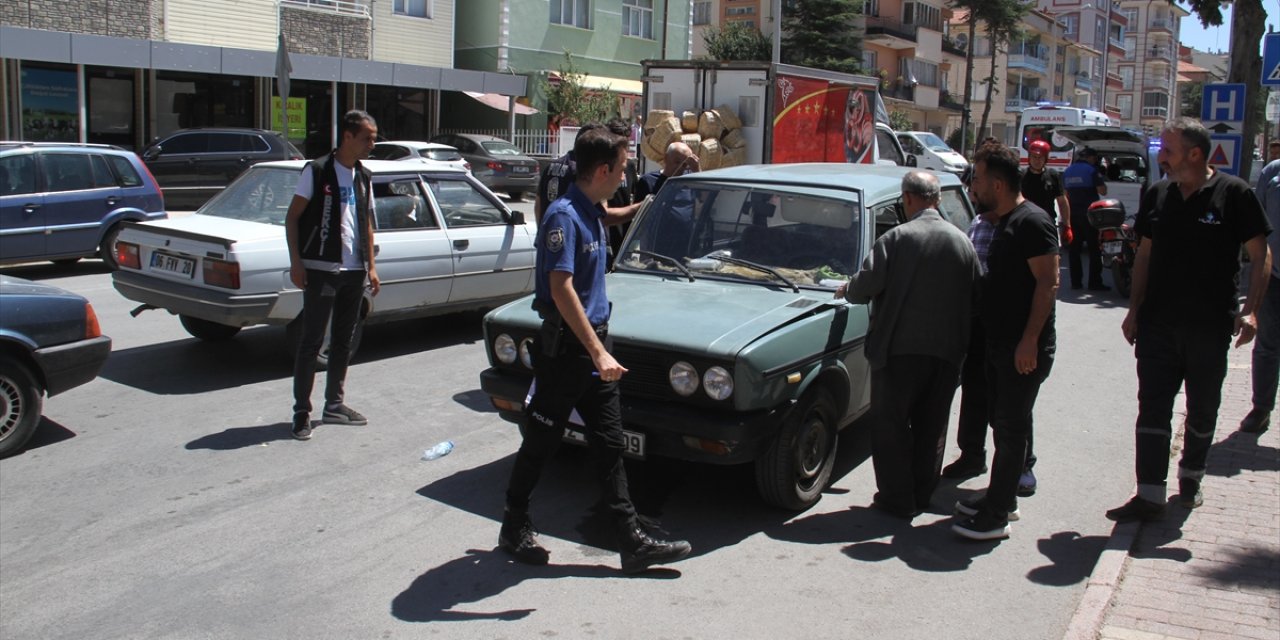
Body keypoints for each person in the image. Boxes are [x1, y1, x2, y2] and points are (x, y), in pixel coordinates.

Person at [499, 127, 691, 574]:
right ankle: (514, 521)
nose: (625, 175)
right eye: (622, 168)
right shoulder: (563, 217)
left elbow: (607, 218)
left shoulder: (589, 209)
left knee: (608, 443)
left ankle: (630, 540)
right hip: (569, 351)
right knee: (542, 440)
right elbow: (560, 288)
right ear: (602, 170)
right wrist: (597, 353)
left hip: (594, 344)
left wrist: (645, 206)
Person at [1106, 118, 1273, 522]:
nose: (1161, 157)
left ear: (1195, 154)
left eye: (1168, 149)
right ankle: (1148, 495)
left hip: (1209, 328)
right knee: (1153, 408)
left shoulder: (1234, 194)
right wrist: (1134, 309)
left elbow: (1260, 255)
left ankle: (1191, 480)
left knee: (1202, 409)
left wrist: (1250, 310)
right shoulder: (1159, 194)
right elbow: (1144, 254)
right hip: (1158, 326)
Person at [838, 171, 981, 519]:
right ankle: (921, 495)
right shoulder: (962, 241)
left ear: (909, 199)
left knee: (891, 426)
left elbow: (864, 286)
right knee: (931, 426)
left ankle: (895, 499)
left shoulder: (896, 238)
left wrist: (848, 287)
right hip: (946, 354)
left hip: (897, 352)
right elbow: (977, 295)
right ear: (937, 199)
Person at [952, 141, 1059, 541]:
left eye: (977, 179)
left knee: (1012, 431)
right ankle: (1002, 499)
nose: (972, 186)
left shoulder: (1032, 221)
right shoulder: (1000, 221)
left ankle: (996, 516)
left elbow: (1048, 284)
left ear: (997, 184)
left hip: (1022, 348)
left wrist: (1029, 341)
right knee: (1002, 425)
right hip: (1000, 344)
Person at [284, 110, 381, 441]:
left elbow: (366, 222)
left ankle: (334, 406)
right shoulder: (317, 170)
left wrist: (371, 266)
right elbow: (292, 218)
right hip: (321, 269)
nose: (373, 143)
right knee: (312, 341)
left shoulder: (363, 176)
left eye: (374, 137)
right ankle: (301, 412)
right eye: (368, 137)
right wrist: (297, 262)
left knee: (343, 342)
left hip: (354, 271)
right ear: (348, 137)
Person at [1244, 150, 1280, 435]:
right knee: (1267, 346)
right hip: (1275, 277)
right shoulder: (1272, 173)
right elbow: (1257, 225)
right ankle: (1261, 409)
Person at [1062, 146, 1109, 291]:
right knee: (1094, 249)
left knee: (1074, 249)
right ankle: (1094, 282)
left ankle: (1076, 282)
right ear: (1090, 158)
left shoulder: (1067, 171)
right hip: (1090, 215)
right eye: (1094, 158)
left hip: (1073, 214)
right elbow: (1103, 191)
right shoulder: (1092, 170)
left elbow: (1064, 193)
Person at [1020, 139, 1072, 247]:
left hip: (1047, 224)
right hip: (1025, 224)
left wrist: (1067, 226)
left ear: (1046, 158)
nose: (1037, 160)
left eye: (1040, 157)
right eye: (1034, 157)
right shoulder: (1021, 176)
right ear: (1029, 157)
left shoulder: (1053, 175)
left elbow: (1062, 202)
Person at [632, 141, 700, 202]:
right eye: (677, 162)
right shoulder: (648, 181)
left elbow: (703, 198)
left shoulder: (690, 182)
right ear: (666, 158)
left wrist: (697, 170)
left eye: (685, 164)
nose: (680, 167)